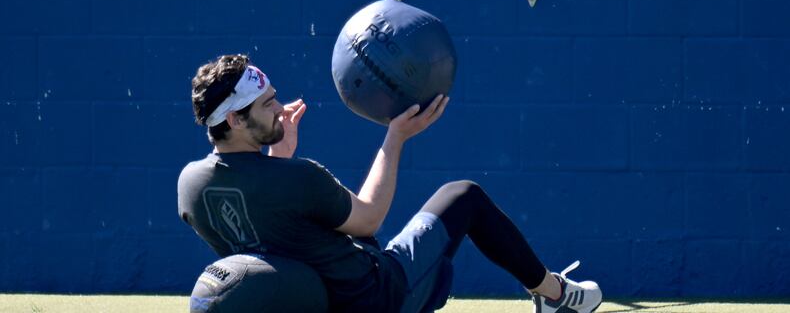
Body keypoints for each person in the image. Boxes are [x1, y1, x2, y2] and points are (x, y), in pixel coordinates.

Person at [178, 54, 603, 313]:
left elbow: (266, 235)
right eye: (268, 104)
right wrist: (395, 136)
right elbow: (368, 219)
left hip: (312, 301)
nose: (278, 108)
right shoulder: (298, 177)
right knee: (464, 196)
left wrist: (277, 155)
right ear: (235, 119)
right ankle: (554, 295)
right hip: (378, 297)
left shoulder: (190, 186)